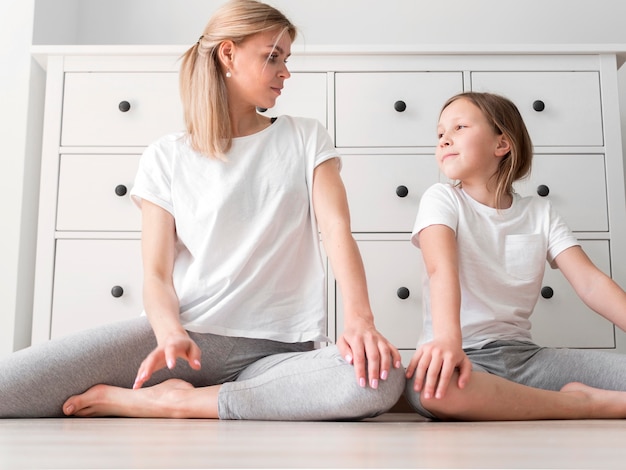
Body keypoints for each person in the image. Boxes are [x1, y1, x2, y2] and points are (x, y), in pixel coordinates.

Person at [0, 0, 404, 420]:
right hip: (186, 339)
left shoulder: (305, 138)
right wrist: (170, 333)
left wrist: (360, 320)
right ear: (227, 53)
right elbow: (156, 276)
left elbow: (337, 230)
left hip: (280, 352)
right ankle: (210, 396)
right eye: (272, 57)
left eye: (286, 59)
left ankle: (172, 402)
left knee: (382, 378)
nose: (286, 72)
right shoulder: (166, 156)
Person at [404, 91, 626, 421]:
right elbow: (441, 270)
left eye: (459, 127)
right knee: (436, 390)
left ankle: (544, 400)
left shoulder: (540, 212)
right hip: (463, 355)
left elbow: (591, 284)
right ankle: (586, 404)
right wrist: (448, 342)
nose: (444, 139)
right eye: (440, 133)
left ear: (501, 144)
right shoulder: (442, 199)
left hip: (528, 360)